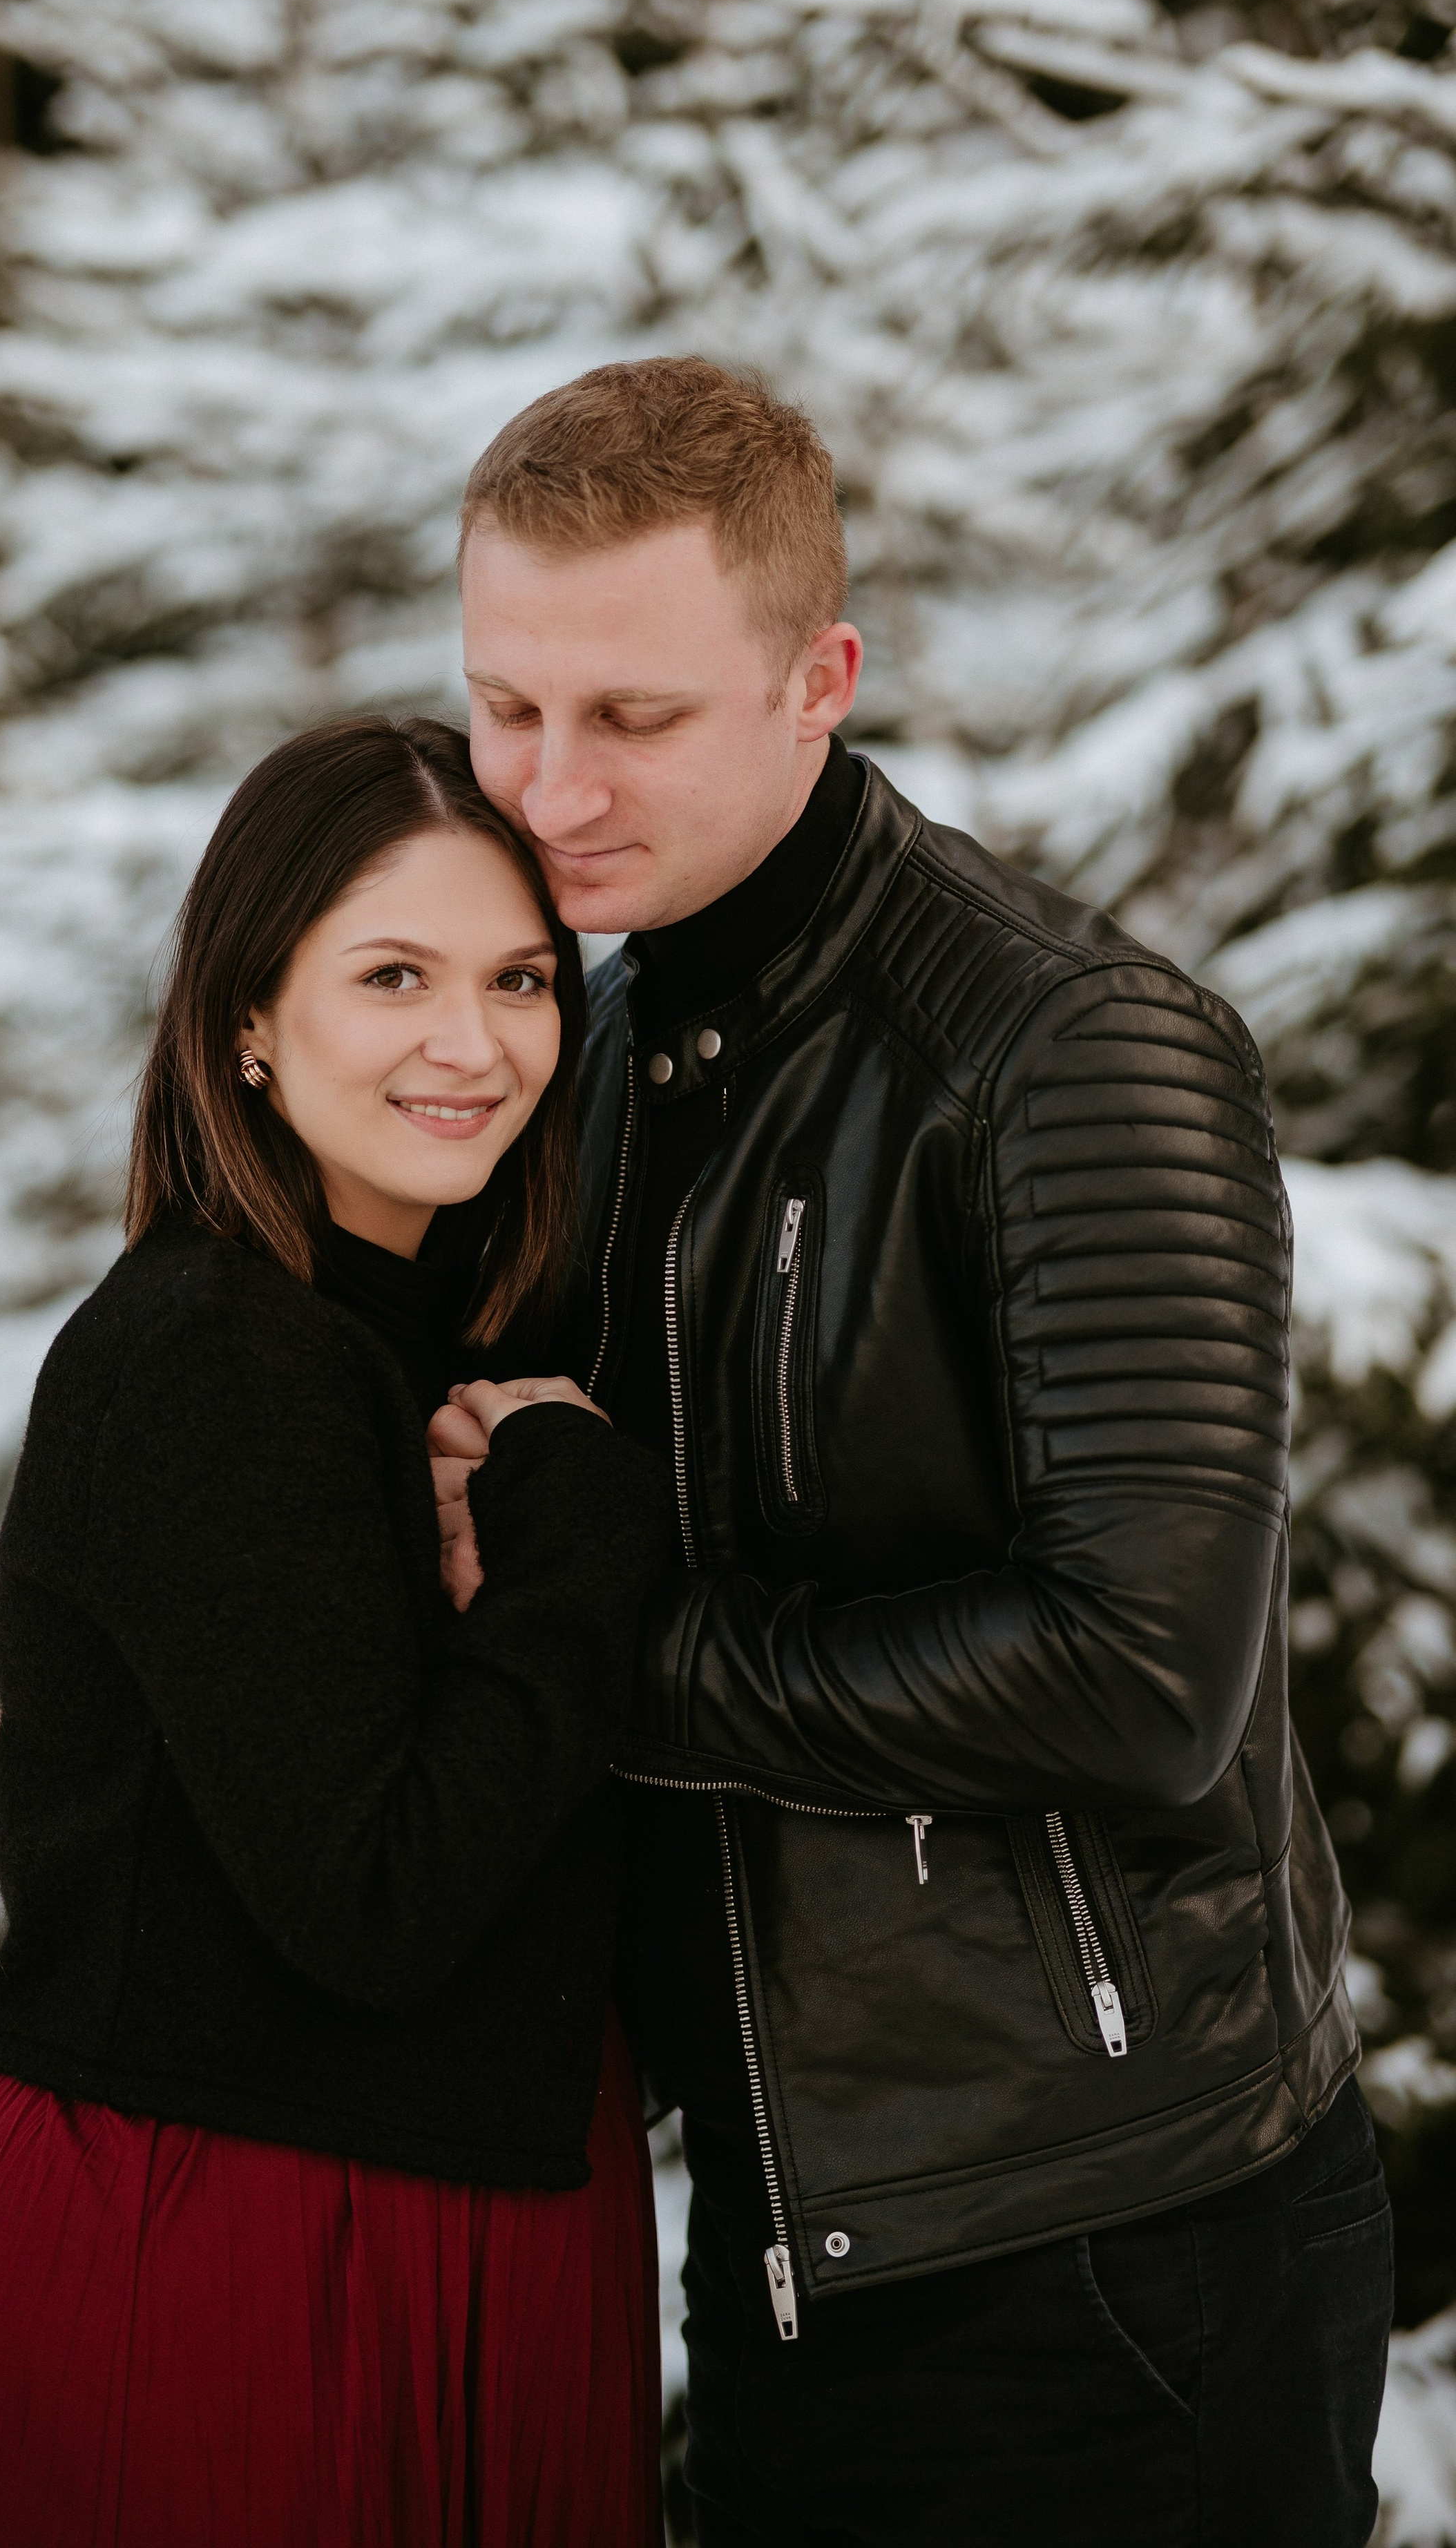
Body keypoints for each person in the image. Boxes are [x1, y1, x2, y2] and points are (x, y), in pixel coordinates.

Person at [432, 359, 1394, 2548]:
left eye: (632, 719)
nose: (548, 787)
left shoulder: (1065, 1051)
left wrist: (615, 1652)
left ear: (817, 681)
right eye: (506, 708)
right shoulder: (595, 1035)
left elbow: (1147, 1679)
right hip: (800, 2227)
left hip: (1101, 2248)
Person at [0, 717, 672, 2548]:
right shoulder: (222, 1360)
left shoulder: (416, 1351)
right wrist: (575, 1531)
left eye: (522, 980)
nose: (474, 1043)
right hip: (228, 2271)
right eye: (395, 976)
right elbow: (377, 1896)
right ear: (247, 1022)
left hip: (422, 2241)